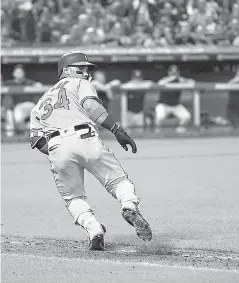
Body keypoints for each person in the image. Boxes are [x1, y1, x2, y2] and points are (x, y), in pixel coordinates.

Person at [29, 52, 152, 251]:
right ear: (66, 70)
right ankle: (128, 205)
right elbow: (91, 106)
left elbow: (36, 139)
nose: (85, 71)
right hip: (85, 137)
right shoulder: (78, 83)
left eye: (86, 68)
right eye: (82, 67)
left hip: (55, 146)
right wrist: (117, 130)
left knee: (73, 198)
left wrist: (57, 150)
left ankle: (93, 229)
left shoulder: (42, 100)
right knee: (118, 181)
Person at [3, 64, 43, 136]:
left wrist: (37, 84)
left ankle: (30, 130)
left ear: (23, 73)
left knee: (38, 117)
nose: (19, 74)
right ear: (13, 73)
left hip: (29, 105)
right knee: (17, 119)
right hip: (18, 107)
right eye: (17, 72)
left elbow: (38, 85)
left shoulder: (28, 82)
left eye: (20, 72)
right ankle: (27, 130)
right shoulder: (10, 83)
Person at [155, 65, 193, 133]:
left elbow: (192, 82)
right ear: (168, 72)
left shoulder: (180, 80)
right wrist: (171, 78)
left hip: (175, 105)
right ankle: (157, 132)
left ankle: (180, 131)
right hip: (164, 105)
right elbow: (159, 84)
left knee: (186, 117)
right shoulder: (164, 80)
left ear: (178, 73)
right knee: (159, 117)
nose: (174, 74)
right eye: (172, 72)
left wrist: (182, 79)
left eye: (175, 72)